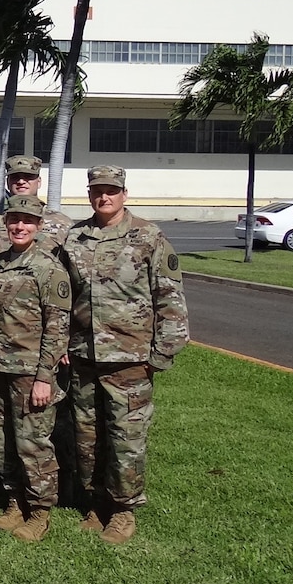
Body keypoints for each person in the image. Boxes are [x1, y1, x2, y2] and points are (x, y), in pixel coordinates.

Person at [63, 165, 188, 545]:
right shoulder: (74, 238)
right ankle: (96, 501)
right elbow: (63, 297)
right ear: (89, 194)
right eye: (98, 190)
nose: (104, 197)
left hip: (130, 358)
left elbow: (169, 298)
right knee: (87, 437)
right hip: (84, 356)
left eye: (111, 191)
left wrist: (160, 354)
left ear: (124, 194)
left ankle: (124, 510)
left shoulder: (148, 237)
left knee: (126, 438)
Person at [0, 194, 71, 542]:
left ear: (39, 226)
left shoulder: (48, 269)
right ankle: (15, 501)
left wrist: (45, 377)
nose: (20, 226)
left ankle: (40, 511)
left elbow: (57, 328)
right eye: (14, 220)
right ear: (6, 224)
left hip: (30, 372)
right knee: (4, 441)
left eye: (28, 221)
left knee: (33, 444)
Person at [0, 155, 73, 261]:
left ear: (39, 181)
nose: (21, 181)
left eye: (28, 176)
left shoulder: (63, 224)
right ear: (8, 182)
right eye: (15, 177)